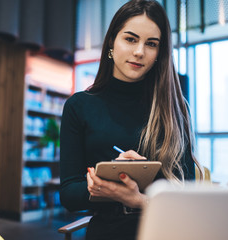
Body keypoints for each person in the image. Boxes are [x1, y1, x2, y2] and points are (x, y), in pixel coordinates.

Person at [59, 0, 203, 239]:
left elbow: (185, 195)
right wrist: (109, 178)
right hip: (107, 231)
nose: (139, 52)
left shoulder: (175, 109)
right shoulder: (79, 106)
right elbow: (69, 195)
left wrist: (135, 199)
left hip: (166, 230)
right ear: (112, 43)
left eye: (151, 44)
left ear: (160, 53)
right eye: (130, 39)